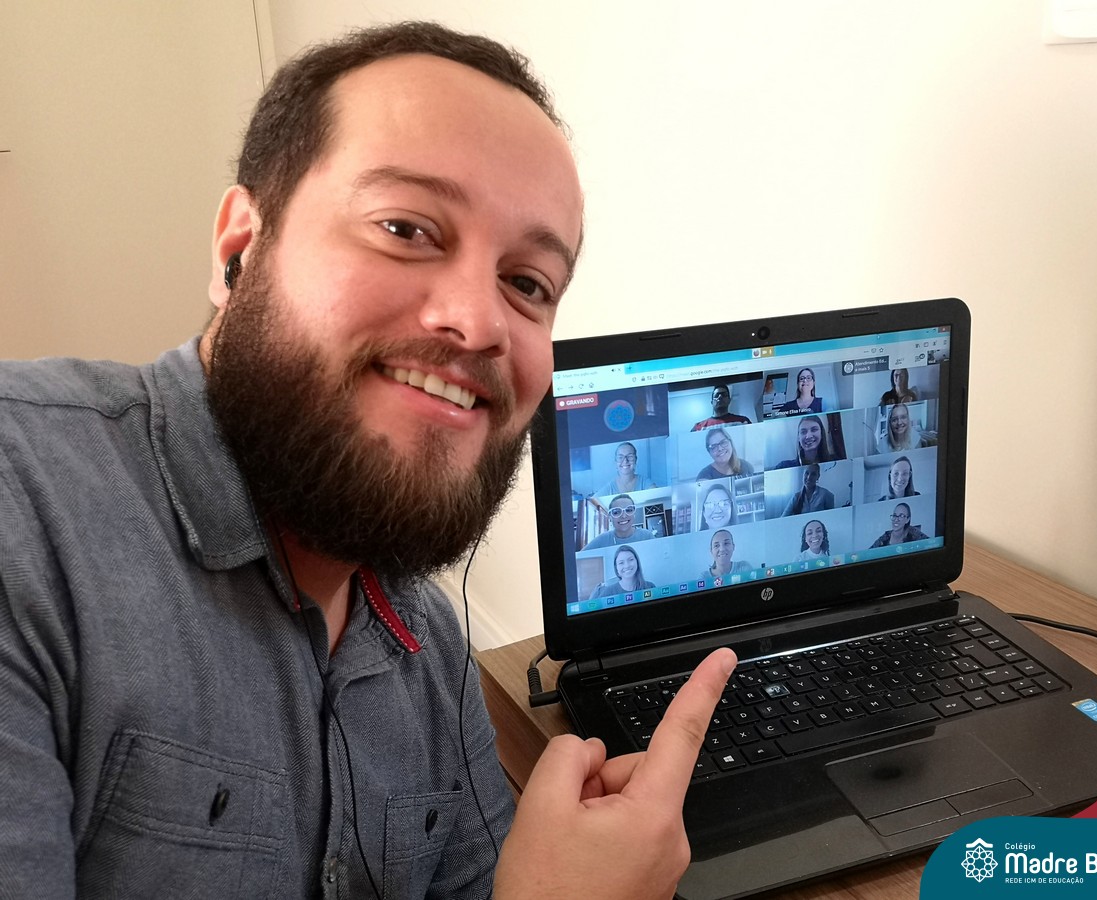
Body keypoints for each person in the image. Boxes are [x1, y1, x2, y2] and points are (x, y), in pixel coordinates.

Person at [0, 22, 736, 900]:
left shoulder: (429, 650)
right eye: (406, 227)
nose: (479, 322)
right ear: (239, 248)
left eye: (527, 283)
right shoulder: (23, 514)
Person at [583, 494, 656, 549]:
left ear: (634, 514)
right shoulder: (602, 540)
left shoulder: (647, 536)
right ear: (610, 517)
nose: (623, 516)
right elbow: (579, 558)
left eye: (628, 510)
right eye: (616, 512)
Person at [589, 545, 655, 599]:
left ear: (637, 561)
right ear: (616, 567)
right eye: (621, 563)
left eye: (630, 560)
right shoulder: (608, 592)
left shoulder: (650, 586)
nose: (627, 565)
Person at [773, 415, 839, 468]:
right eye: (803, 432)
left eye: (814, 430)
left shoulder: (835, 462)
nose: (808, 436)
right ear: (798, 438)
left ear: (821, 433)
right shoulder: (783, 466)